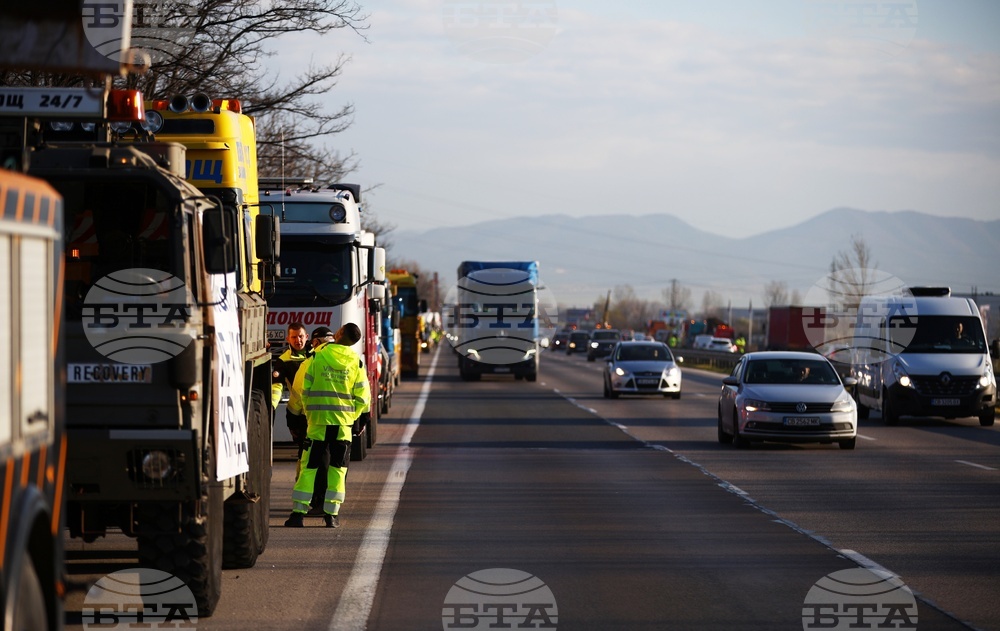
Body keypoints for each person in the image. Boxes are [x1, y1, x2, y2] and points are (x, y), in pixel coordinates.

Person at [285, 323, 370, 528]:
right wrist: (351, 418)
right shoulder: (356, 363)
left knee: (309, 467)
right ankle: (331, 516)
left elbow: (299, 389)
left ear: (338, 334)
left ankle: (298, 514)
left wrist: (295, 415)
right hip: (342, 427)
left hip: (317, 424)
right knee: (338, 469)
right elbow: (363, 399)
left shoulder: (316, 357)